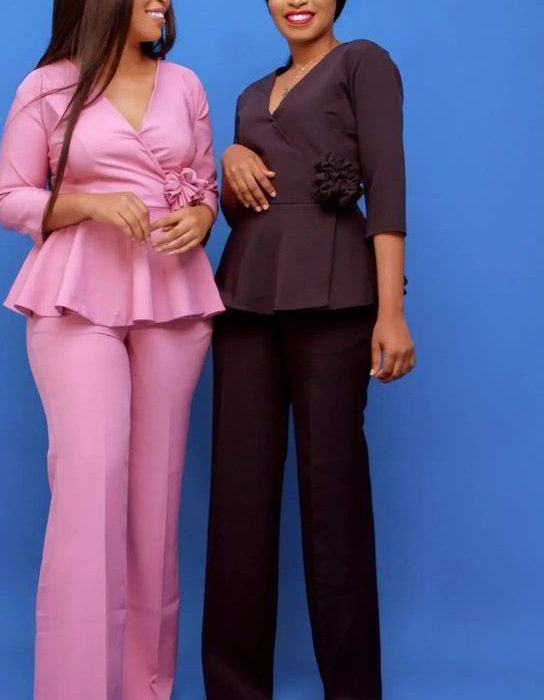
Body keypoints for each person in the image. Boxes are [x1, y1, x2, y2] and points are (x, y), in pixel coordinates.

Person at [0, 1, 224, 697]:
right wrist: (89, 204)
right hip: (75, 294)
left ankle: (146, 688)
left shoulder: (185, 85)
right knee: (90, 488)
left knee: (157, 503)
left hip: (173, 297)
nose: (163, 1)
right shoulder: (46, 87)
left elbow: (204, 187)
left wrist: (201, 216)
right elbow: (8, 197)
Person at [202, 1, 416, 698]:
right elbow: (241, 208)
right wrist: (230, 157)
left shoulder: (363, 63)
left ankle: (351, 690)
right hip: (245, 300)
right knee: (237, 502)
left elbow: (387, 184)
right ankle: (233, 689)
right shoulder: (248, 96)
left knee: (334, 503)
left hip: (335, 298)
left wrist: (391, 311)